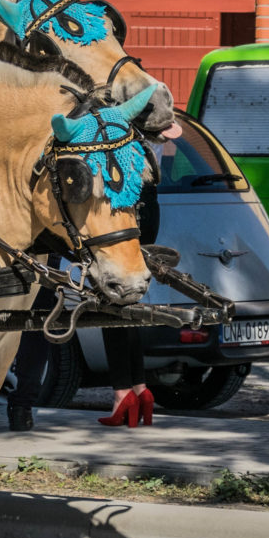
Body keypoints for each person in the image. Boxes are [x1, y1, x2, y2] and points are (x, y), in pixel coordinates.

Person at [98, 173, 164, 428]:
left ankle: (123, 393)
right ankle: (139, 389)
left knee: (109, 305)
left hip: (119, 206)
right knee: (127, 305)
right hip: (147, 203)